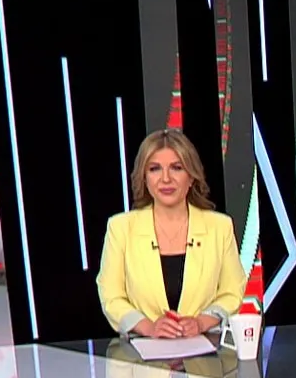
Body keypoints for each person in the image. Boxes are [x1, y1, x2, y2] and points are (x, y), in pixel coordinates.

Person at [96, 129, 247, 338]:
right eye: (154, 169)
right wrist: (149, 327)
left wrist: (200, 323)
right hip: (141, 351)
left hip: (203, 349)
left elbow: (232, 291)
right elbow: (111, 295)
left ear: (191, 176)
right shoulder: (120, 228)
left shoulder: (219, 227)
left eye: (177, 168)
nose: (165, 179)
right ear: (144, 178)